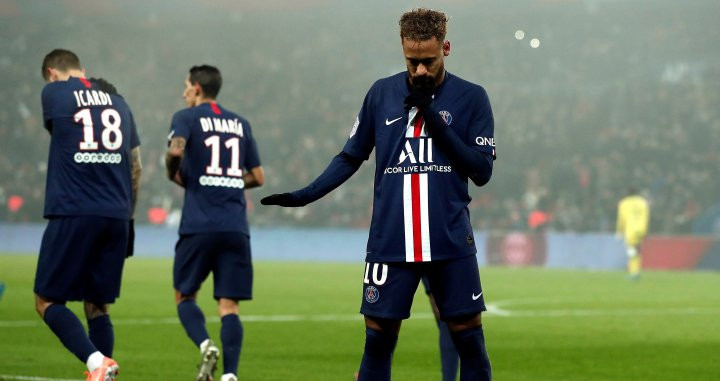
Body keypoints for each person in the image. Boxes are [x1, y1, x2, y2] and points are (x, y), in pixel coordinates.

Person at [262, 9, 495, 380]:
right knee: (378, 343)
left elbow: (481, 171)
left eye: (428, 61)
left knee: (470, 343)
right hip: (390, 242)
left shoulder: (472, 97)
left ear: (446, 49)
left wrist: (431, 116)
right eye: (412, 61)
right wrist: (305, 195)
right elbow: (351, 156)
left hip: (450, 241)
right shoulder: (381, 93)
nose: (419, 70)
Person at [34, 49, 142, 381]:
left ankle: (97, 363)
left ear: (52, 72)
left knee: (46, 301)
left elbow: (65, 132)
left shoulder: (54, 92)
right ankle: (103, 372)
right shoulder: (120, 103)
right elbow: (135, 168)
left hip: (75, 211)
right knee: (98, 306)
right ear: (85, 70)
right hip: (118, 217)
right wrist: (129, 218)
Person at [166, 65, 264, 381]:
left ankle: (206, 344)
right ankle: (230, 376)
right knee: (229, 306)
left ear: (196, 88)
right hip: (235, 226)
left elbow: (175, 150)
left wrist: (174, 173)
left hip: (199, 224)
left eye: (185, 86)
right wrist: (228, 181)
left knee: (184, 296)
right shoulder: (240, 123)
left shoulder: (186, 117)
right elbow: (259, 177)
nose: (183, 92)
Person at [616, 188, 650, 279]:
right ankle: (636, 270)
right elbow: (646, 216)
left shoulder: (624, 203)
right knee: (637, 250)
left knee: (631, 251)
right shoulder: (643, 202)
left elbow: (621, 219)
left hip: (631, 230)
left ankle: (634, 272)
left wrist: (619, 232)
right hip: (642, 229)